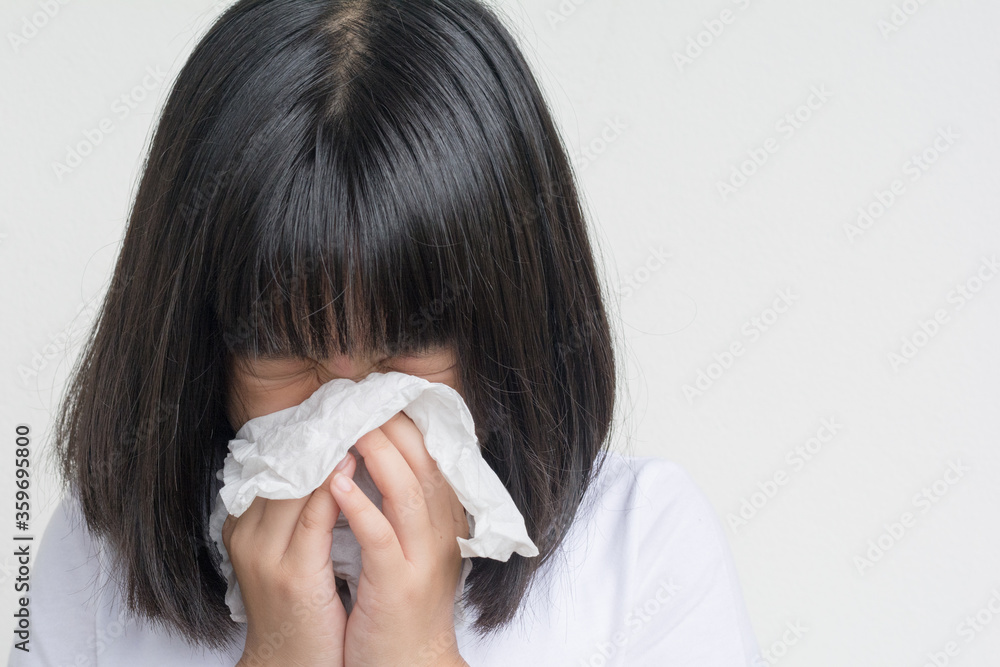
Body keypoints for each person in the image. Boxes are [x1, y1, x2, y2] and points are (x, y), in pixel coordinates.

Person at [8, 0, 761, 664]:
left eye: (408, 342)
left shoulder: (640, 546)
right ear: (197, 346)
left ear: (511, 331)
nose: (347, 410)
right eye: (284, 346)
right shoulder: (98, 561)